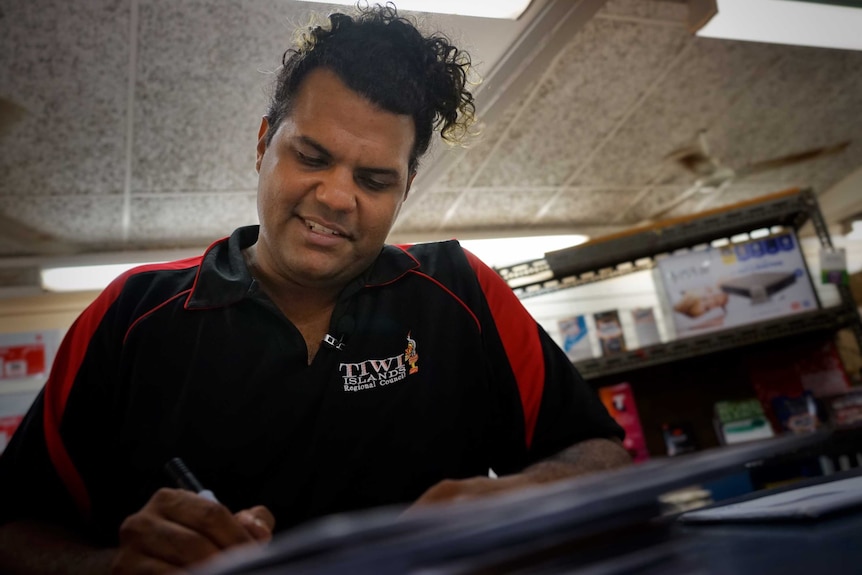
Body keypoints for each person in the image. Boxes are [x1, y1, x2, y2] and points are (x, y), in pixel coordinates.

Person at [0, 4, 630, 573]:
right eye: (310, 157)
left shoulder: (463, 291)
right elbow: (15, 529)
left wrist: (521, 494)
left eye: (375, 179)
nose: (335, 196)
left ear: (405, 189)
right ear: (261, 145)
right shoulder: (131, 314)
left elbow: (600, 453)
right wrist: (112, 568)